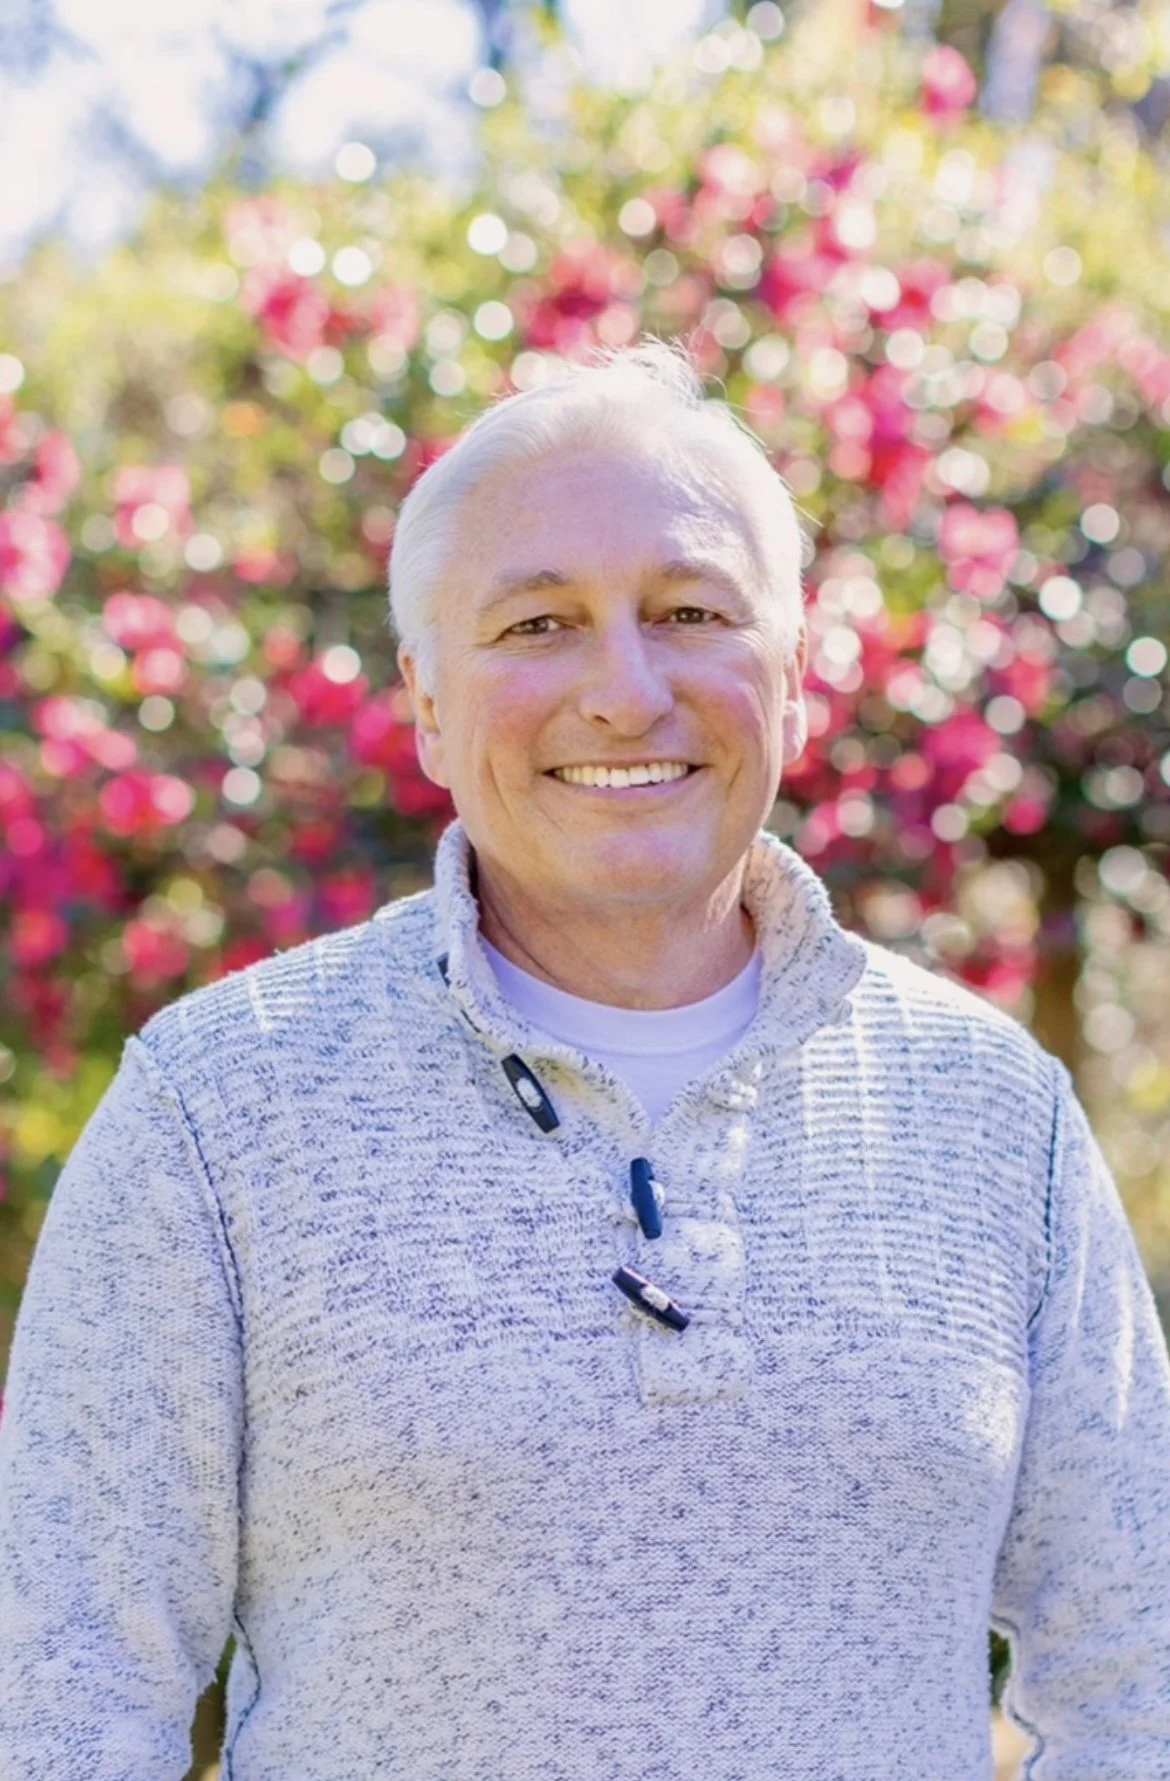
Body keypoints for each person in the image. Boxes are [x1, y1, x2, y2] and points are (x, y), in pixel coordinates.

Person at [1, 338, 1168, 1780]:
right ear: (427, 704)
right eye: (538, 624)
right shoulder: (214, 1115)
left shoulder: (997, 1121)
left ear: (791, 682)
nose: (624, 693)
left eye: (688, 611)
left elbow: (1139, 1675)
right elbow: (61, 1702)